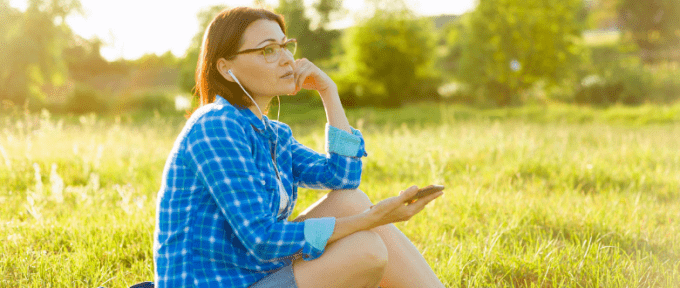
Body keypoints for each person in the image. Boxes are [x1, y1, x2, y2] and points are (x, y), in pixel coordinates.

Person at [153, 6, 445, 288]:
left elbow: (343, 178)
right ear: (226, 69)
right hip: (219, 282)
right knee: (365, 251)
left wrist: (328, 91)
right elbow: (261, 238)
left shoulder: (271, 134)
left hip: (254, 272)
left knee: (350, 200)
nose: (286, 60)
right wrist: (368, 220)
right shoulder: (215, 127)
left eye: (285, 46)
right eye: (268, 50)